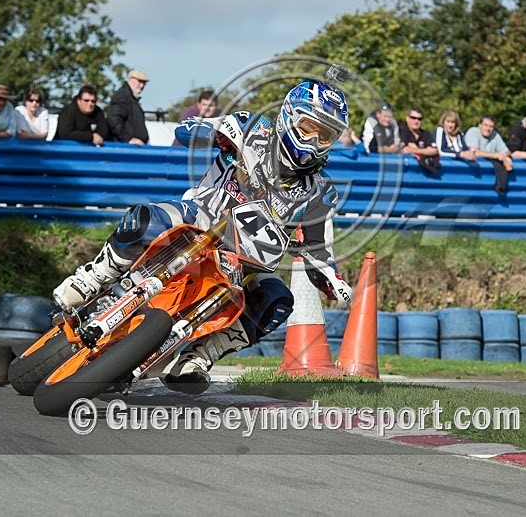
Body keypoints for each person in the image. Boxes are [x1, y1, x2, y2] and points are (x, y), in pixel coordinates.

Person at [52, 68, 354, 394]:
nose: (314, 141)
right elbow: (186, 132)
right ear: (289, 117)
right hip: (198, 220)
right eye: (310, 128)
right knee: (146, 219)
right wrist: (210, 132)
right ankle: (93, 277)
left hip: (244, 264)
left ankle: (198, 357)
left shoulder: (319, 191)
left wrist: (332, 279)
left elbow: (317, 247)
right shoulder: (252, 129)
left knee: (278, 301)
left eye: (326, 136)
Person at [464, 114, 513, 194]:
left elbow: (507, 152)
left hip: (488, 176)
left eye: (491, 126)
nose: (488, 128)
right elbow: (474, 152)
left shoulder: (495, 135)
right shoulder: (473, 132)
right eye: (485, 125)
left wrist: (506, 157)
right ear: (479, 125)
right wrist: (496, 155)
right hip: (471, 175)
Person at [107, 69, 150, 145]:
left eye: (144, 83)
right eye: (139, 81)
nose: (142, 86)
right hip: (126, 148)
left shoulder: (130, 98)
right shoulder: (122, 96)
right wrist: (128, 139)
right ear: (130, 80)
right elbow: (114, 120)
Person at [399, 107, 440, 174]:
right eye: (413, 118)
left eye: (419, 119)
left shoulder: (425, 134)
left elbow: (435, 150)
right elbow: (404, 150)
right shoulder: (401, 131)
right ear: (407, 119)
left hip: (425, 173)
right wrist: (425, 150)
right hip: (404, 171)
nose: (416, 121)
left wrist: (415, 149)